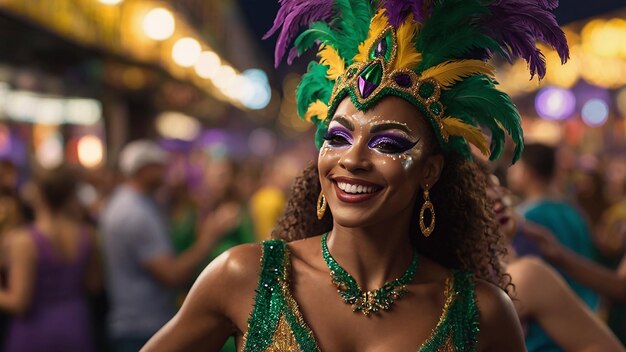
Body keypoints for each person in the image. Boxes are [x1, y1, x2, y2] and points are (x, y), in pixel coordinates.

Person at [142, 0, 569, 350]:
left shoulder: (480, 311)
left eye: (389, 144)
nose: (353, 159)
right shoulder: (246, 277)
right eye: (338, 137)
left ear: (430, 170)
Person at [101, 140, 240, 352]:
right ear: (144, 170)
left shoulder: (134, 203)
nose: (167, 172)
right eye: (159, 167)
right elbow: (172, 273)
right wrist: (208, 237)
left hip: (144, 321)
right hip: (143, 326)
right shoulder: (137, 214)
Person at [486, 172, 624, 352]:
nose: (497, 194)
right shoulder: (572, 210)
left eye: (494, 183)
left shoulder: (524, 270)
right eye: (483, 186)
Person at [0, 165, 100, 352]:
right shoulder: (87, 235)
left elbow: (19, 302)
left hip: (35, 330)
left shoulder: (24, 241)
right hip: (76, 324)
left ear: (37, 193)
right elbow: (93, 284)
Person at [507, 143, 600, 309]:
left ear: (527, 172)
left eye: (515, 165)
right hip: (586, 307)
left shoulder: (524, 219)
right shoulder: (575, 212)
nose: (510, 172)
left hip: (548, 318)